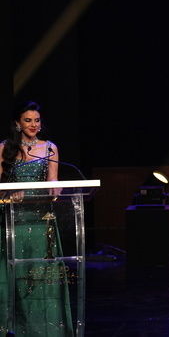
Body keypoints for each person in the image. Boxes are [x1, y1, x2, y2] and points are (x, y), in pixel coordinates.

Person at [0, 101, 73, 336]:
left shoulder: (50, 148)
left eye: (37, 120)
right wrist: (9, 193)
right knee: (15, 275)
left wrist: (56, 189)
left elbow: (53, 182)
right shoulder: (4, 148)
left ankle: (43, 330)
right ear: (17, 123)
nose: (33, 125)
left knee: (39, 276)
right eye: (28, 120)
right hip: (14, 221)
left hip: (42, 221)